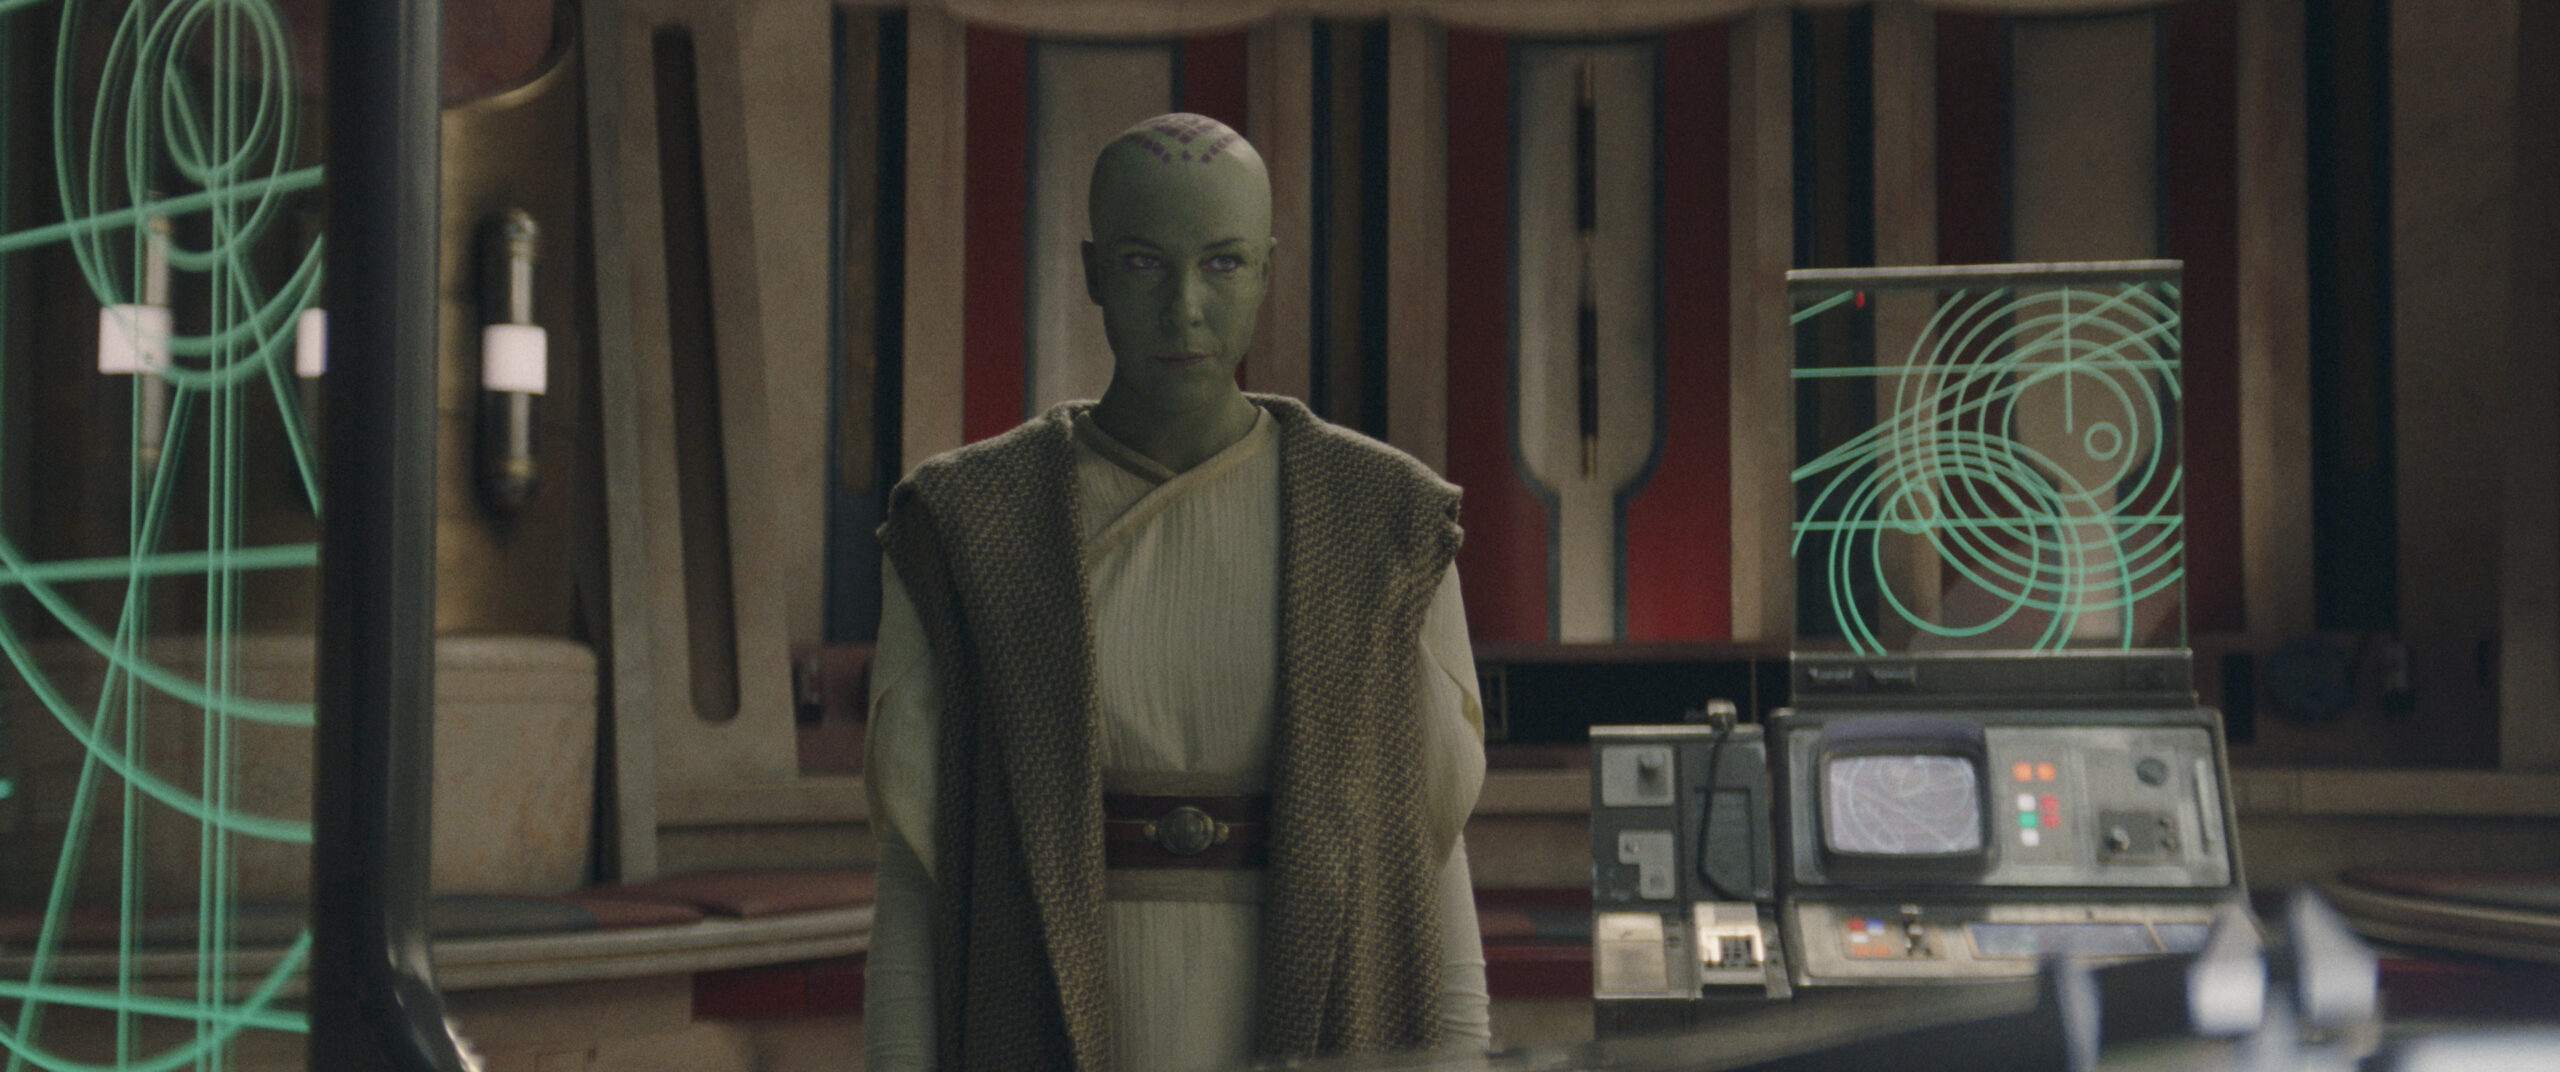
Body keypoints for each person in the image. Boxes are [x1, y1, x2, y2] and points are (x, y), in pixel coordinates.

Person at [863, 112, 1490, 1072]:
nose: (1185, 308)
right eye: (1146, 264)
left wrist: (1461, 1057)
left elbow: (1429, 856)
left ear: (1269, 270)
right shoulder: (966, 524)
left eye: (1223, 264)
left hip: (1314, 1014)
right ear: (1092, 271)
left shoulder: (1383, 522)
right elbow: (919, 876)